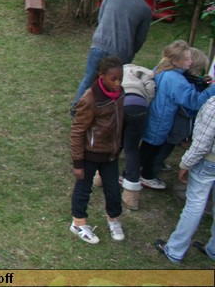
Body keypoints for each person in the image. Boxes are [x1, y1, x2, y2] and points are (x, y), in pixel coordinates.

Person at [139, 40, 215, 190]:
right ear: (176, 60)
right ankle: (144, 176)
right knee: (150, 151)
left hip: (154, 117)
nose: (190, 61)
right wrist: (212, 89)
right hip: (161, 122)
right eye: (187, 59)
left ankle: (136, 173)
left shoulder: (164, 70)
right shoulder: (175, 79)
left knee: (148, 148)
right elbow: (194, 102)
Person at [69, 55, 126, 245]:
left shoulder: (120, 93)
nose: (118, 83)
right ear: (101, 76)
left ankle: (113, 220)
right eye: (113, 79)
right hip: (90, 154)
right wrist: (78, 162)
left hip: (111, 153)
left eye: (120, 78)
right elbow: (77, 131)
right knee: (83, 189)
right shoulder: (90, 99)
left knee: (113, 190)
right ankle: (78, 223)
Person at [72, 0, 154, 107]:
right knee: (112, 84)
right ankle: (102, 112)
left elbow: (101, 17)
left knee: (88, 79)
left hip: (99, 44)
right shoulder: (145, 9)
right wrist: (131, 52)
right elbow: (140, 38)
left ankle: (77, 108)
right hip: (122, 51)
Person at [154, 94, 215, 263]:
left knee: (195, 204)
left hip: (208, 162)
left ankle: (174, 250)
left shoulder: (213, 106)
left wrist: (185, 164)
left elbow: (202, 145)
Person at [119, 62, 155, 211]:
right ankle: (131, 197)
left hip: (120, 104)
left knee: (114, 143)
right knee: (132, 149)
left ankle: (100, 177)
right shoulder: (145, 74)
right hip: (139, 107)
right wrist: (145, 102)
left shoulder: (117, 71)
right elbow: (151, 91)